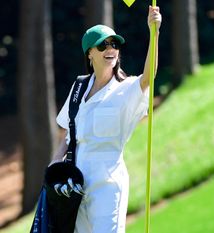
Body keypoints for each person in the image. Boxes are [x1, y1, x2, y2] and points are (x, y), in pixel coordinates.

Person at [50, 6, 162, 233]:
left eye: (114, 44)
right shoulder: (79, 87)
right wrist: (53, 168)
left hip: (108, 186)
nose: (110, 49)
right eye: (103, 45)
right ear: (89, 53)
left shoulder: (127, 88)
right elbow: (69, 136)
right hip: (76, 186)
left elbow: (148, 77)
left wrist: (155, 32)